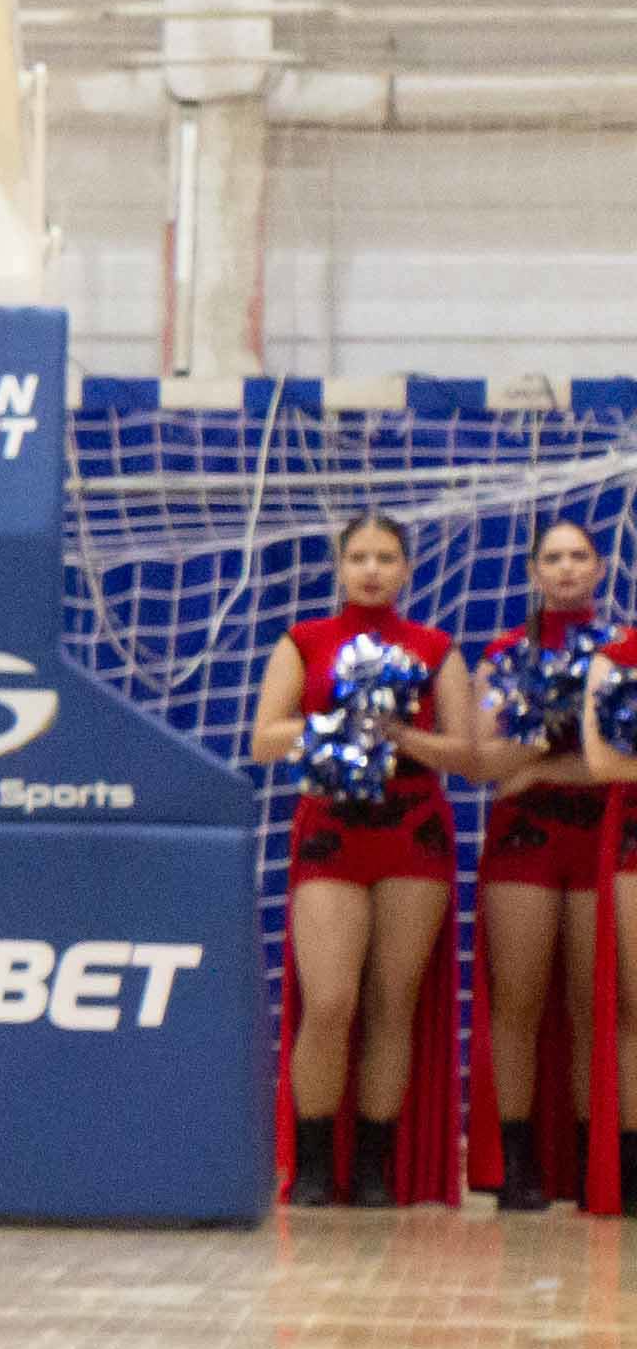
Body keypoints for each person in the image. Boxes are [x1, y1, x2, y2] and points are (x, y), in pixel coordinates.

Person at [248, 513, 495, 1207]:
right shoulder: (303, 641)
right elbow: (265, 739)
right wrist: (341, 724)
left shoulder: (435, 648)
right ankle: (314, 1165)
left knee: (393, 1004)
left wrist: (395, 732)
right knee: (329, 1003)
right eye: (359, 557)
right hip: (332, 828)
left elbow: (468, 755)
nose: (372, 570)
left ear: (407, 569)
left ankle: (374, 1168)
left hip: (412, 831)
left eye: (386, 557)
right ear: (339, 566)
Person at [468, 519, 615, 1213]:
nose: (565, 569)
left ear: (600, 567)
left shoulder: (624, 652)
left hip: (604, 839)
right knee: (518, 1002)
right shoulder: (502, 654)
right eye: (552, 558)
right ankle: (517, 1163)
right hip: (523, 839)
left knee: (593, 1005)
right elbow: (482, 763)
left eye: (578, 556)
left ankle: (592, 1161)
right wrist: (550, 747)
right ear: (532, 571)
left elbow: (617, 764)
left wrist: (540, 764)